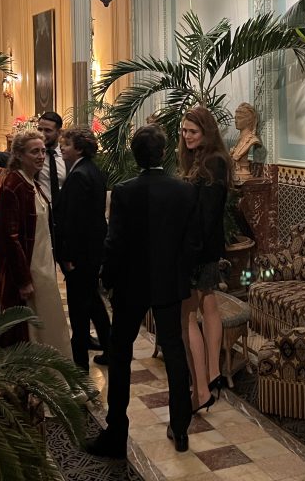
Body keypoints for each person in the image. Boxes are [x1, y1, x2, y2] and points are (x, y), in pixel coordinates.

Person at [86, 125, 200, 459]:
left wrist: (108, 277)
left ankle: (116, 432)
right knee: (175, 354)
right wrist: (180, 275)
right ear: (163, 153)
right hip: (168, 283)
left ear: (135, 156)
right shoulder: (184, 191)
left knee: (120, 356)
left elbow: (115, 241)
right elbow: (192, 243)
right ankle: (180, 428)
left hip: (131, 285)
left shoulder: (124, 191)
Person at [0, 129, 71, 356]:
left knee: (49, 319)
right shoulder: (13, 185)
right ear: (19, 155)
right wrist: (24, 280)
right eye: (34, 151)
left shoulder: (31, 182)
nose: (40, 156)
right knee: (32, 325)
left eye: (43, 151)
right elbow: (10, 237)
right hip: (30, 269)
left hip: (43, 266)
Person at [178, 105, 232, 414]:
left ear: (207, 133)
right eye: (184, 131)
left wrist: (190, 253)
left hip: (199, 250)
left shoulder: (214, 162)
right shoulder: (203, 159)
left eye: (193, 131)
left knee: (187, 317)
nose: (186, 136)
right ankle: (213, 375)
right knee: (209, 306)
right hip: (204, 247)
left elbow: (207, 215)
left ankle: (201, 387)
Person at [53, 126, 112, 371]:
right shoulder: (91, 170)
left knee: (79, 313)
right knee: (93, 302)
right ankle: (110, 348)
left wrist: (68, 257)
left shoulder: (79, 175)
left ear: (78, 148)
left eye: (65, 144)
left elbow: (75, 222)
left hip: (81, 255)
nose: (62, 148)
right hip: (92, 251)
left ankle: (80, 368)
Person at [0, 111, 66, 203]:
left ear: (59, 132)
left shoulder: (67, 156)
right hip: (36, 209)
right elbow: (4, 157)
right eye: (40, 129)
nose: (42, 134)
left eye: (48, 130)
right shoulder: (30, 155)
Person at [230, 102, 262, 183]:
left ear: (248, 121)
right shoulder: (238, 140)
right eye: (235, 118)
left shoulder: (253, 140)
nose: (236, 121)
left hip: (244, 174)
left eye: (239, 118)